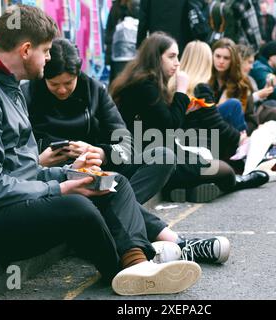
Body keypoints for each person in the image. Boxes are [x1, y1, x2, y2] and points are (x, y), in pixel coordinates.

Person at [0, 5, 203, 296]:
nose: (50, 58)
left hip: (4, 205)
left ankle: (139, 263)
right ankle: (122, 270)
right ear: (26, 50)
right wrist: (60, 188)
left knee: (110, 181)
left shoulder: (6, 83)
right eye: (47, 50)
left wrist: (70, 174)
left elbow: (22, 170)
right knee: (76, 206)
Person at [22, 37, 230, 264]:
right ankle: (181, 244)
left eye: (68, 83)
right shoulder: (27, 95)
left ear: (78, 75)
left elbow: (125, 142)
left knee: (162, 156)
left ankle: (111, 224)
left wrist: (101, 152)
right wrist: (41, 159)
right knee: (109, 190)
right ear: (43, 76)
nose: (62, 90)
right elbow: (16, 157)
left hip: (101, 172)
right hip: (56, 180)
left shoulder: (94, 90)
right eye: (54, 84)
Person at [110, 32, 269, 203]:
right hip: (151, 159)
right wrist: (181, 91)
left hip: (155, 153)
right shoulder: (145, 85)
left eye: (178, 56)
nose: (177, 63)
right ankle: (234, 182)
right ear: (156, 58)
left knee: (209, 163)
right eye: (171, 57)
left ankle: (186, 186)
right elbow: (170, 126)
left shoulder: (143, 81)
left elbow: (160, 122)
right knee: (224, 171)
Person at [237, 44, 276, 145]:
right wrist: (257, 96)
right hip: (240, 122)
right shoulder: (226, 79)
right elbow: (236, 104)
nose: (251, 66)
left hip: (250, 115)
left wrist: (263, 93)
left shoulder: (249, 78)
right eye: (249, 62)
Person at [105, 0, 140, 82]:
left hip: (128, 55)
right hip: (121, 55)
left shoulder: (135, 6)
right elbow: (109, 32)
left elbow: (109, 33)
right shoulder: (116, 7)